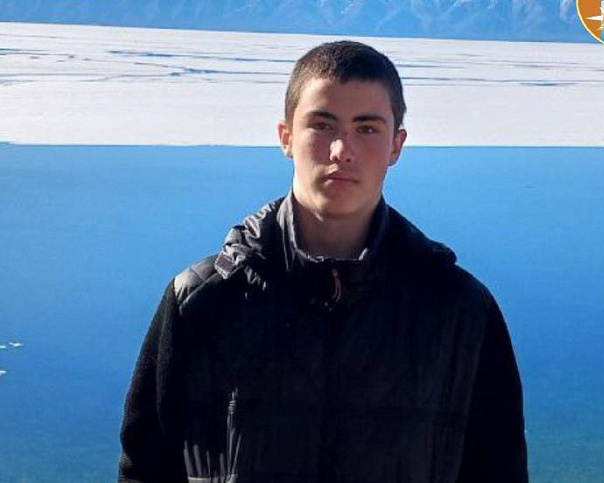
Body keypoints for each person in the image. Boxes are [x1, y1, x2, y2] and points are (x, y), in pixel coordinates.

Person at [118, 40, 528, 483]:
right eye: (322, 124)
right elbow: (144, 469)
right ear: (286, 137)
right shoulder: (203, 302)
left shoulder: (458, 313)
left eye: (366, 128)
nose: (341, 150)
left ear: (396, 145)